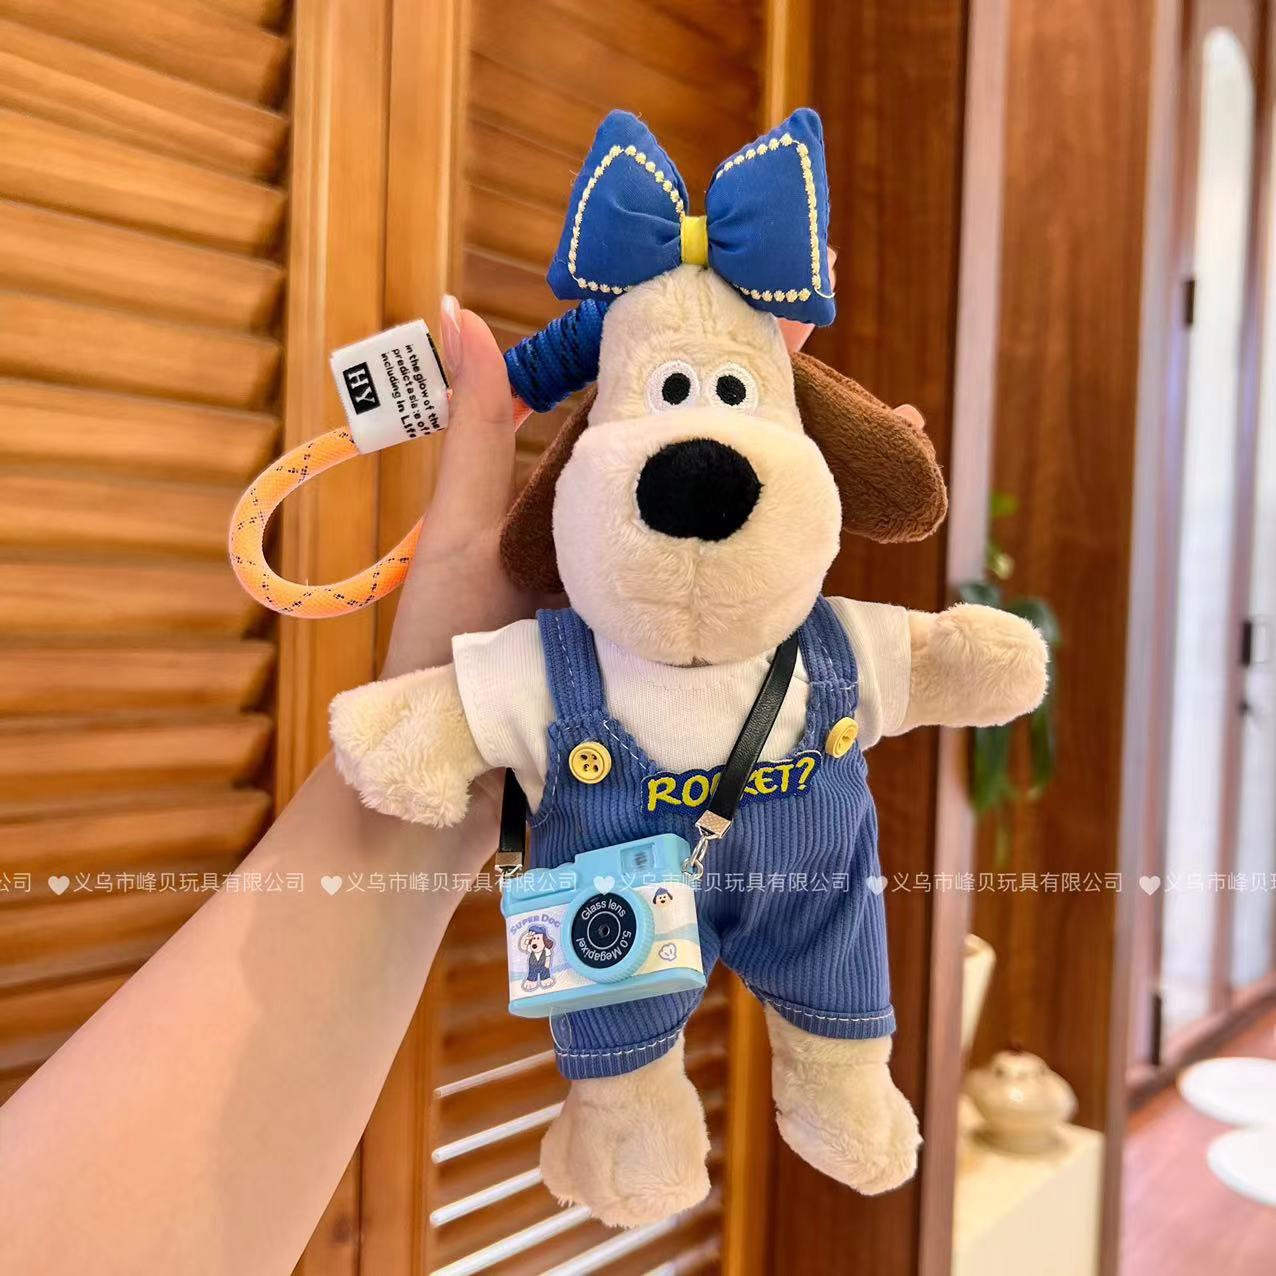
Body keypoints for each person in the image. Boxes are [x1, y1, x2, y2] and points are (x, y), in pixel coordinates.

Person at [0, 272, 897, 1275]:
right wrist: (435, 739)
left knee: (826, 964)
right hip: (614, 857)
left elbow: (939, 658)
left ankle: (839, 1082)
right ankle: (629, 1122)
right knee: (626, 1015)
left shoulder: (827, 650)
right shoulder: (551, 668)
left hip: (783, 871)